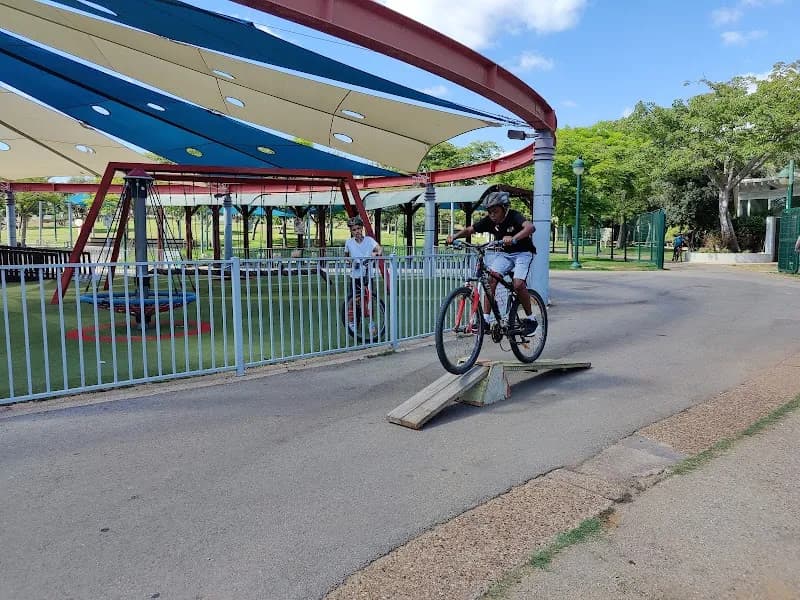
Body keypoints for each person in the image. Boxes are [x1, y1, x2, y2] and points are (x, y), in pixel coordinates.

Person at [446, 191, 537, 334]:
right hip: (504, 254)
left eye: (495, 211)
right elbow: (471, 229)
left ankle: (531, 319)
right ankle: (486, 321)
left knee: (518, 284)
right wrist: (455, 236)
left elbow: (530, 227)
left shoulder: (514, 215)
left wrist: (514, 238)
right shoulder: (489, 221)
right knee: (490, 280)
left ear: (504, 208)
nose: (492, 214)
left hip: (523, 253)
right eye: (489, 211)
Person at [344, 215, 383, 334]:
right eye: (354, 230)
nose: (356, 232)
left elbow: (379, 249)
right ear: (351, 231)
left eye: (358, 229)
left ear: (362, 229)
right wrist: (351, 262)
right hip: (355, 276)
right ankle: (354, 323)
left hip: (368, 275)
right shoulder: (349, 242)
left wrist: (375, 254)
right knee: (355, 301)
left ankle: (371, 323)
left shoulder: (369, 241)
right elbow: (346, 256)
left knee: (369, 300)